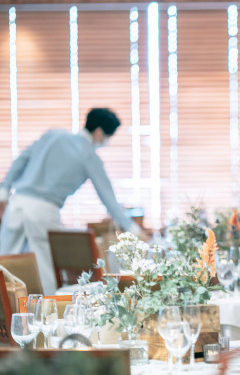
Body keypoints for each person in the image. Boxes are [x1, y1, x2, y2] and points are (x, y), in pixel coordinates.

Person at [0, 108, 145, 294]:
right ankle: (50, 316)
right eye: (108, 136)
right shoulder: (89, 155)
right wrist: (135, 230)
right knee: (46, 270)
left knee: (4, 262)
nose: (106, 142)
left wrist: (4, 191)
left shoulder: (53, 135)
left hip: (17, 203)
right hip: (43, 211)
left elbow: (20, 160)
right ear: (99, 132)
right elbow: (108, 198)